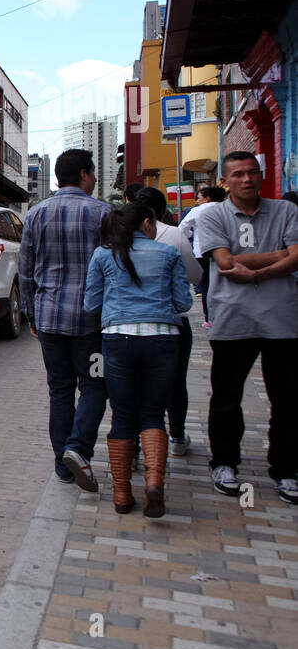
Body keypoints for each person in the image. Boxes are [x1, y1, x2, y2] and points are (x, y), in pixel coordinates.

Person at [195, 152, 298, 505]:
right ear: (225, 180)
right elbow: (223, 263)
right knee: (226, 398)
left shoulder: (286, 211)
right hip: (232, 320)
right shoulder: (213, 215)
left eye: (253, 172)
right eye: (238, 174)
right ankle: (224, 463)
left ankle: (286, 469)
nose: (247, 179)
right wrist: (279, 256)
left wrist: (253, 272)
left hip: (283, 320)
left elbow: (297, 256)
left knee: (287, 400)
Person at [84, 204, 193, 515]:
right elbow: (184, 301)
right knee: (154, 413)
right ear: (147, 222)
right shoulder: (167, 253)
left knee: (121, 414)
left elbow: (90, 303)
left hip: (118, 339)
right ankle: (154, 483)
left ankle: (121, 495)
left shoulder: (103, 255)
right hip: (163, 338)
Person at [20, 149, 112, 490]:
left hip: (48, 318)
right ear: (86, 173)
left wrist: (30, 312)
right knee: (95, 386)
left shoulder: (36, 214)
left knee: (59, 390)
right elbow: (115, 269)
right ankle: (78, 449)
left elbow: (25, 270)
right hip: (92, 322)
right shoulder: (104, 213)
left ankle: (63, 465)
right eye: (93, 173)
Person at [134, 187, 202, 457]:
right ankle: (176, 436)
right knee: (176, 382)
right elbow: (195, 275)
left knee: (137, 386)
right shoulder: (174, 234)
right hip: (173, 322)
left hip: (132, 324)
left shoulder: (120, 237)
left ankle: (136, 444)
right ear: (162, 210)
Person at [180, 185, 226, 325]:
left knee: (206, 286)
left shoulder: (197, 210)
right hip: (226, 253)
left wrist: (191, 235)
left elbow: (182, 229)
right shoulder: (227, 208)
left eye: (199, 198)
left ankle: (209, 319)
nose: (197, 201)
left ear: (207, 198)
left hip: (202, 252)